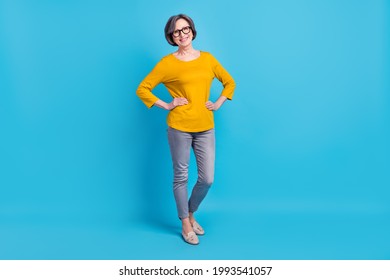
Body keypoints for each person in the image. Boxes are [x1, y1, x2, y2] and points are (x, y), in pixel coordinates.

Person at [136, 14, 235, 245]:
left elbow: (229, 82)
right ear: (171, 36)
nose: (182, 34)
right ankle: (184, 223)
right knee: (180, 176)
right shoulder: (167, 64)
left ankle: (191, 214)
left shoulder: (208, 59)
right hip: (179, 126)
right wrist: (167, 104)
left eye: (185, 28)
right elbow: (143, 89)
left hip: (205, 127)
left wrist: (218, 102)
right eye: (177, 31)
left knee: (207, 178)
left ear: (192, 30)